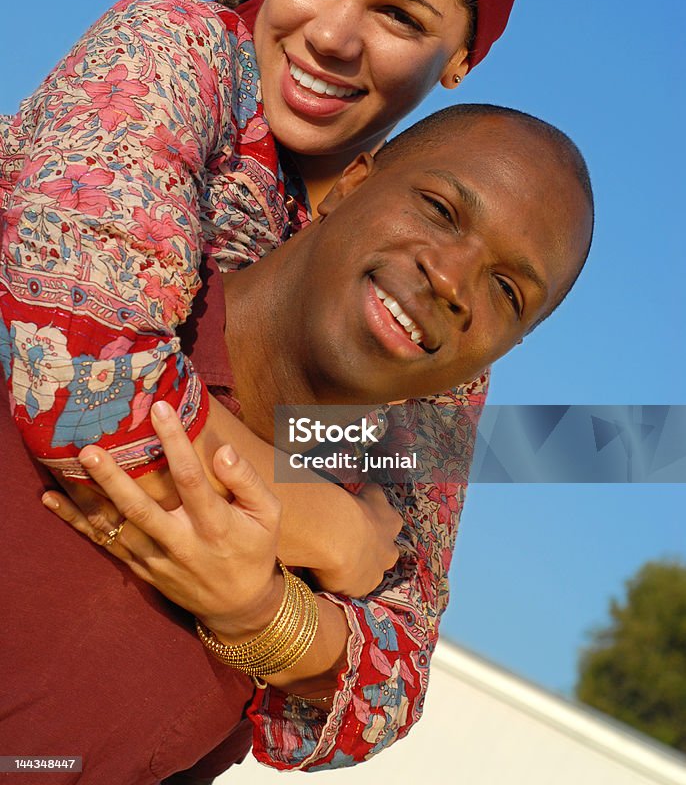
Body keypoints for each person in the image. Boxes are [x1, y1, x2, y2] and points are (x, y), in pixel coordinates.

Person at [0, 0, 532, 779]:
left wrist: (260, 614)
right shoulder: (173, 55)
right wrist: (334, 530)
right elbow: (74, 372)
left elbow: (390, 677)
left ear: (460, 61)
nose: (332, 34)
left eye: (401, 16)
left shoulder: (433, 322)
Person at [2, 106, 594, 783]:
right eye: (438, 209)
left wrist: (258, 615)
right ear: (350, 184)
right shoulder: (52, 267)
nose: (454, 281)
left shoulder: (330, 601)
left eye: (507, 291)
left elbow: (391, 686)